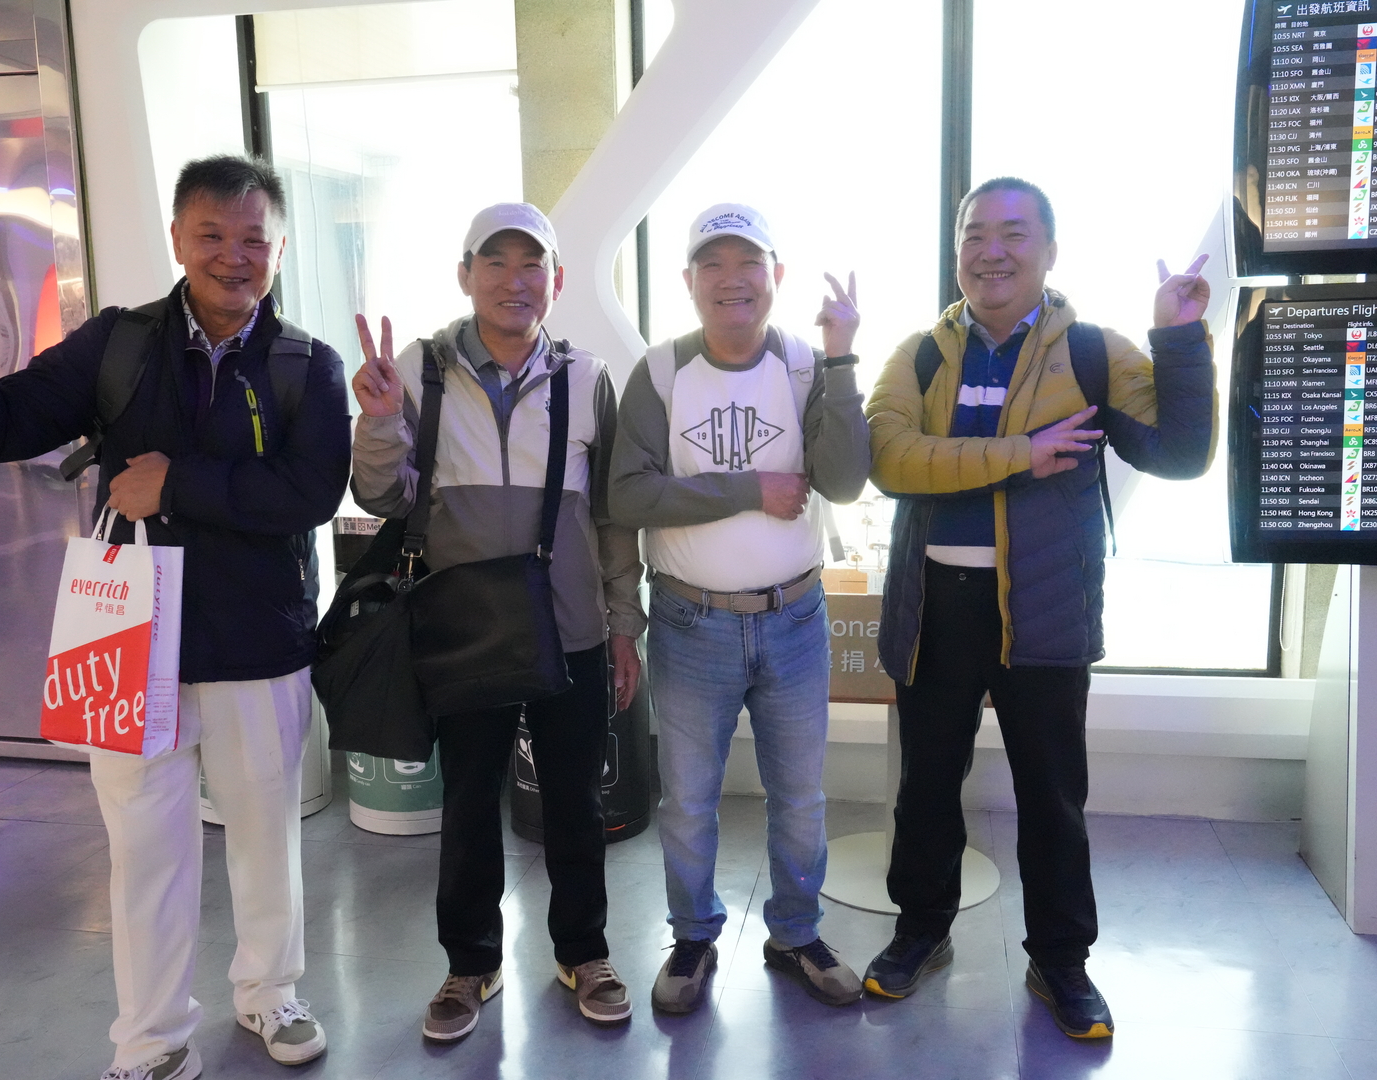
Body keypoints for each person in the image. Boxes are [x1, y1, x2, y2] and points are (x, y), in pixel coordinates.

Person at [0, 155, 351, 1080]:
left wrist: (176, 483)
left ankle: (269, 991)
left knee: (266, 834)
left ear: (279, 249)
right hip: (128, 634)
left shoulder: (306, 363)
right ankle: (153, 1040)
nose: (233, 256)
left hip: (259, 639)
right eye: (212, 235)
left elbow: (311, 493)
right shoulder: (120, 344)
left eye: (253, 239)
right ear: (177, 239)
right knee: (143, 849)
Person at [861, 177, 1216, 1038]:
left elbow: (1180, 453)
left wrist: (1178, 337)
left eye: (1014, 233)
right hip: (934, 609)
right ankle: (920, 930)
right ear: (957, 251)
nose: (992, 251)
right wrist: (1022, 452)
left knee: (1053, 796)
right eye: (975, 233)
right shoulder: (920, 354)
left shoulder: (1093, 353)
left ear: (1050, 250)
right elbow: (892, 461)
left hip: (1047, 605)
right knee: (926, 785)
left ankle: (1062, 961)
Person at [348, 202, 646, 1041]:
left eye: (532, 264)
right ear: (465, 274)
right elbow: (381, 496)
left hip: (571, 625)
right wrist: (378, 421)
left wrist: (624, 624)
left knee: (576, 801)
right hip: (465, 625)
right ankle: (470, 963)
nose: (515, 280)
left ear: (557, 279)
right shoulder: (420, 370)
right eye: (496, 262)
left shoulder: (587, 378)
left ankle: (584, 952)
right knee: (471, 799)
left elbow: (612, 517)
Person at [607, 203, 871, 1012]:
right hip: (691, 624)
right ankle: (693, 938)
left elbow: (844, 481)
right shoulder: (659, 373)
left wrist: (842, 359)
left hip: (794, 620)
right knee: (688, 801)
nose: (732, 280)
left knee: (801, 798)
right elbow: (626, 495)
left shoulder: (804, 366)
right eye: (713, 265)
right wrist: (750, 488)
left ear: (775, 276)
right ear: (689, 282)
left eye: (748, 263)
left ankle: (795, 933)